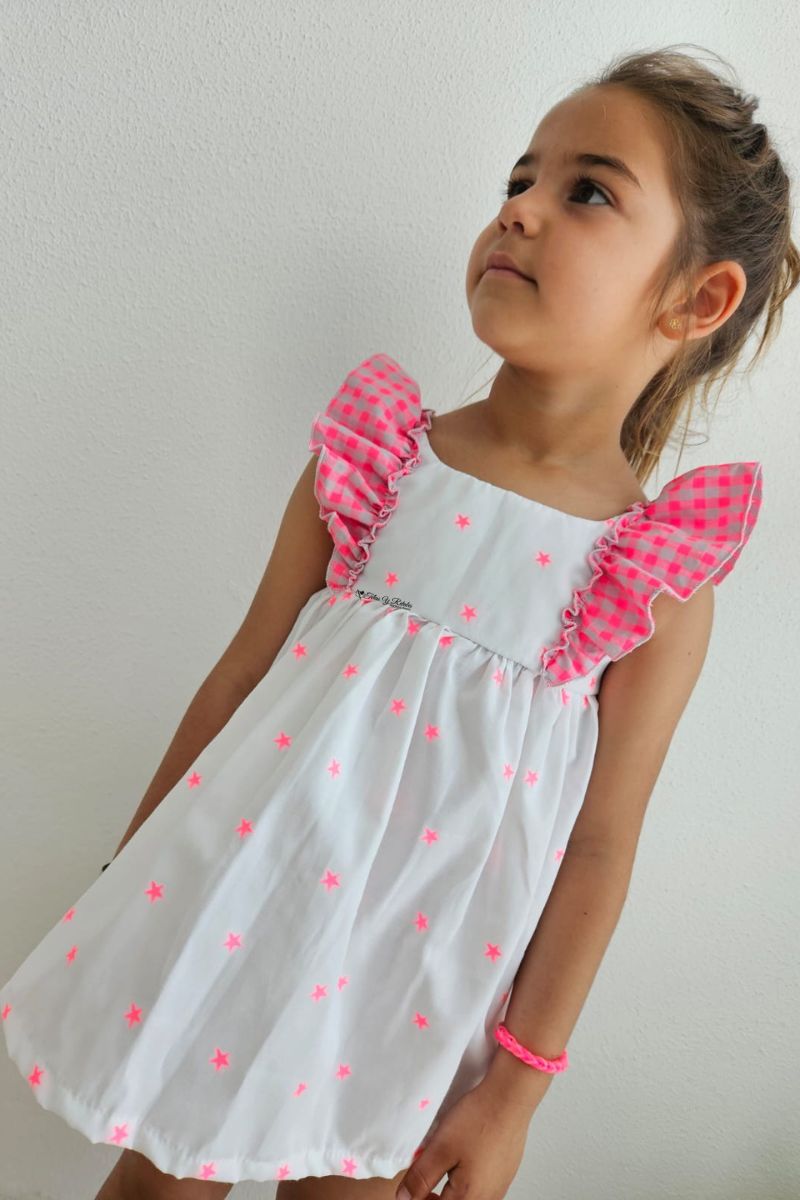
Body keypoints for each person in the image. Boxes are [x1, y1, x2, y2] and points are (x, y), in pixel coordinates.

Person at [0, 44, 793, 1200]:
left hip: (418, 991)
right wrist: (128, 877)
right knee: (155, 1186)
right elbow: (241, 678)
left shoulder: (647, 578)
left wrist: (513, 1093)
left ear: (694, 298)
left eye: (586, 190)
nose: (519, 207)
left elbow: (598, 846)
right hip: (239, 915)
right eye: (518, 178)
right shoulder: (377, 465)